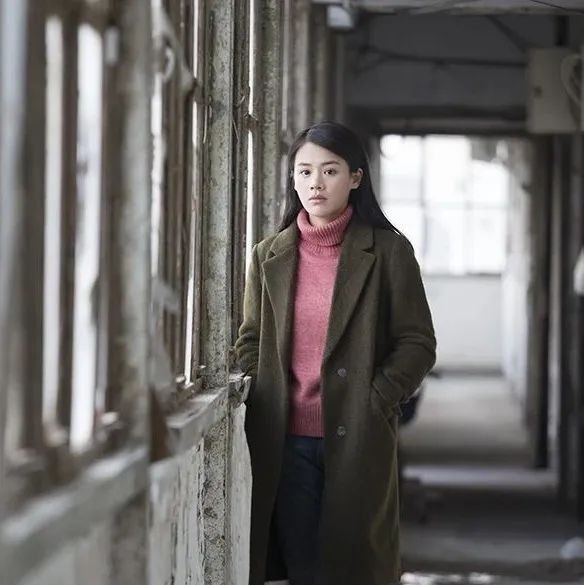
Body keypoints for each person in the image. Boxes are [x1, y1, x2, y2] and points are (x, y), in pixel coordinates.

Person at [235, 120, 436, 585]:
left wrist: (377, 398)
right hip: (286, 439)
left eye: (330, 171)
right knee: (301, 565)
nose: (316, 184)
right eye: (304, 172)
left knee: (355, 565)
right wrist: (265, 388)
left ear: (356, 178)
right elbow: (250, 338)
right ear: (293, 179)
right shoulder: (268, 255)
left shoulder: (389, 251)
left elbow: (417, 342)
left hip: (358, 434)